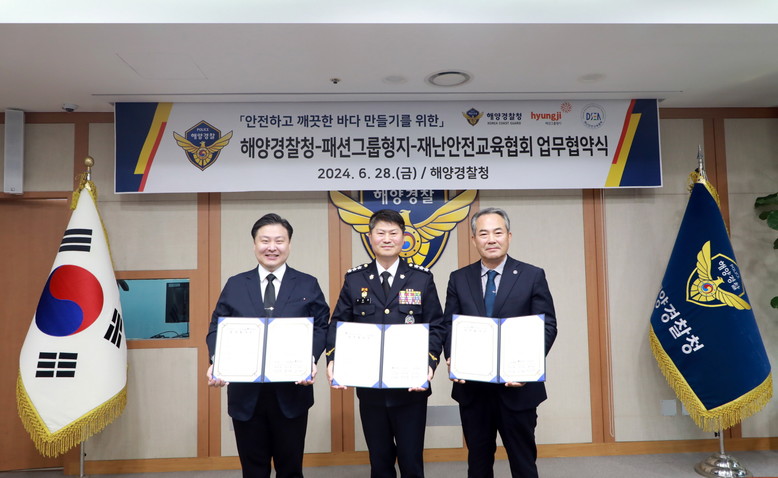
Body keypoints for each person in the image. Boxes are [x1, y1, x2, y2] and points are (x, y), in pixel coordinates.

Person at [205, 213, 330, 478]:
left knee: (291, 469)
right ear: (254, 244)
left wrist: (310, 358)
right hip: (246, 396)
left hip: (292, 394)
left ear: (289, 244)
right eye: (265, 241)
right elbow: (218, 327)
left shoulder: (307, 283)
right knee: (253, 470)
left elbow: (321, 325)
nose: (272, 247)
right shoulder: (236, 284)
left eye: (279, 241)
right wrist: (217, 361)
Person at [326, 209, 445, 478]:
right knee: (379, 462)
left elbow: (436, 325)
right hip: (371, 390)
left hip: (411, 388)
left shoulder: (421, 278)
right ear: (370, 237)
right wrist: (334, 360)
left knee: (411, 462)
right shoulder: (355, 279)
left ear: (404, 238)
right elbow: (338, 324)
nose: (387, 239)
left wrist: (429, 364)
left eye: (393, 233)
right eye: (381, 233)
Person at [443, 207, 557, 478]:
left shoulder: (532, 275)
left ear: (509, 236)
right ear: (474, 240)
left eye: (498, 232)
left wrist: (527, 367)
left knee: (523, 461)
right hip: (474, 389)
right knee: (478, 461)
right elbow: (449, 325)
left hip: (519, 388)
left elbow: (547, 326)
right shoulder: (459, 278)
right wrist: (452, 356)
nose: (491, 239)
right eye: (483, 234)